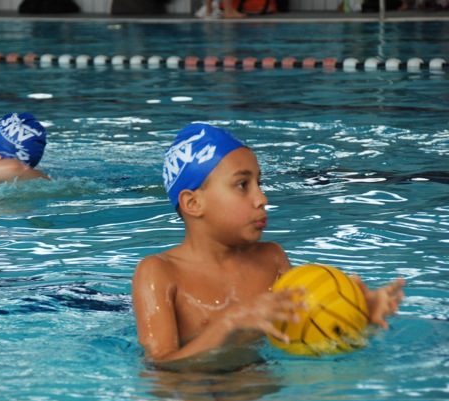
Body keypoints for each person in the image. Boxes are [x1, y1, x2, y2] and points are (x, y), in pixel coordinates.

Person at [131, 123, 405, 371]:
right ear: (193, 203)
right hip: (196, 398)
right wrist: (230, 322)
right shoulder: (159, 272)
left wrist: (358, 317)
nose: (262, 197)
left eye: (258, 183)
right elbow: (159, 369)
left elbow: (310, 332)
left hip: (263, 389)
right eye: (242, 185)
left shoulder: (272, 259)